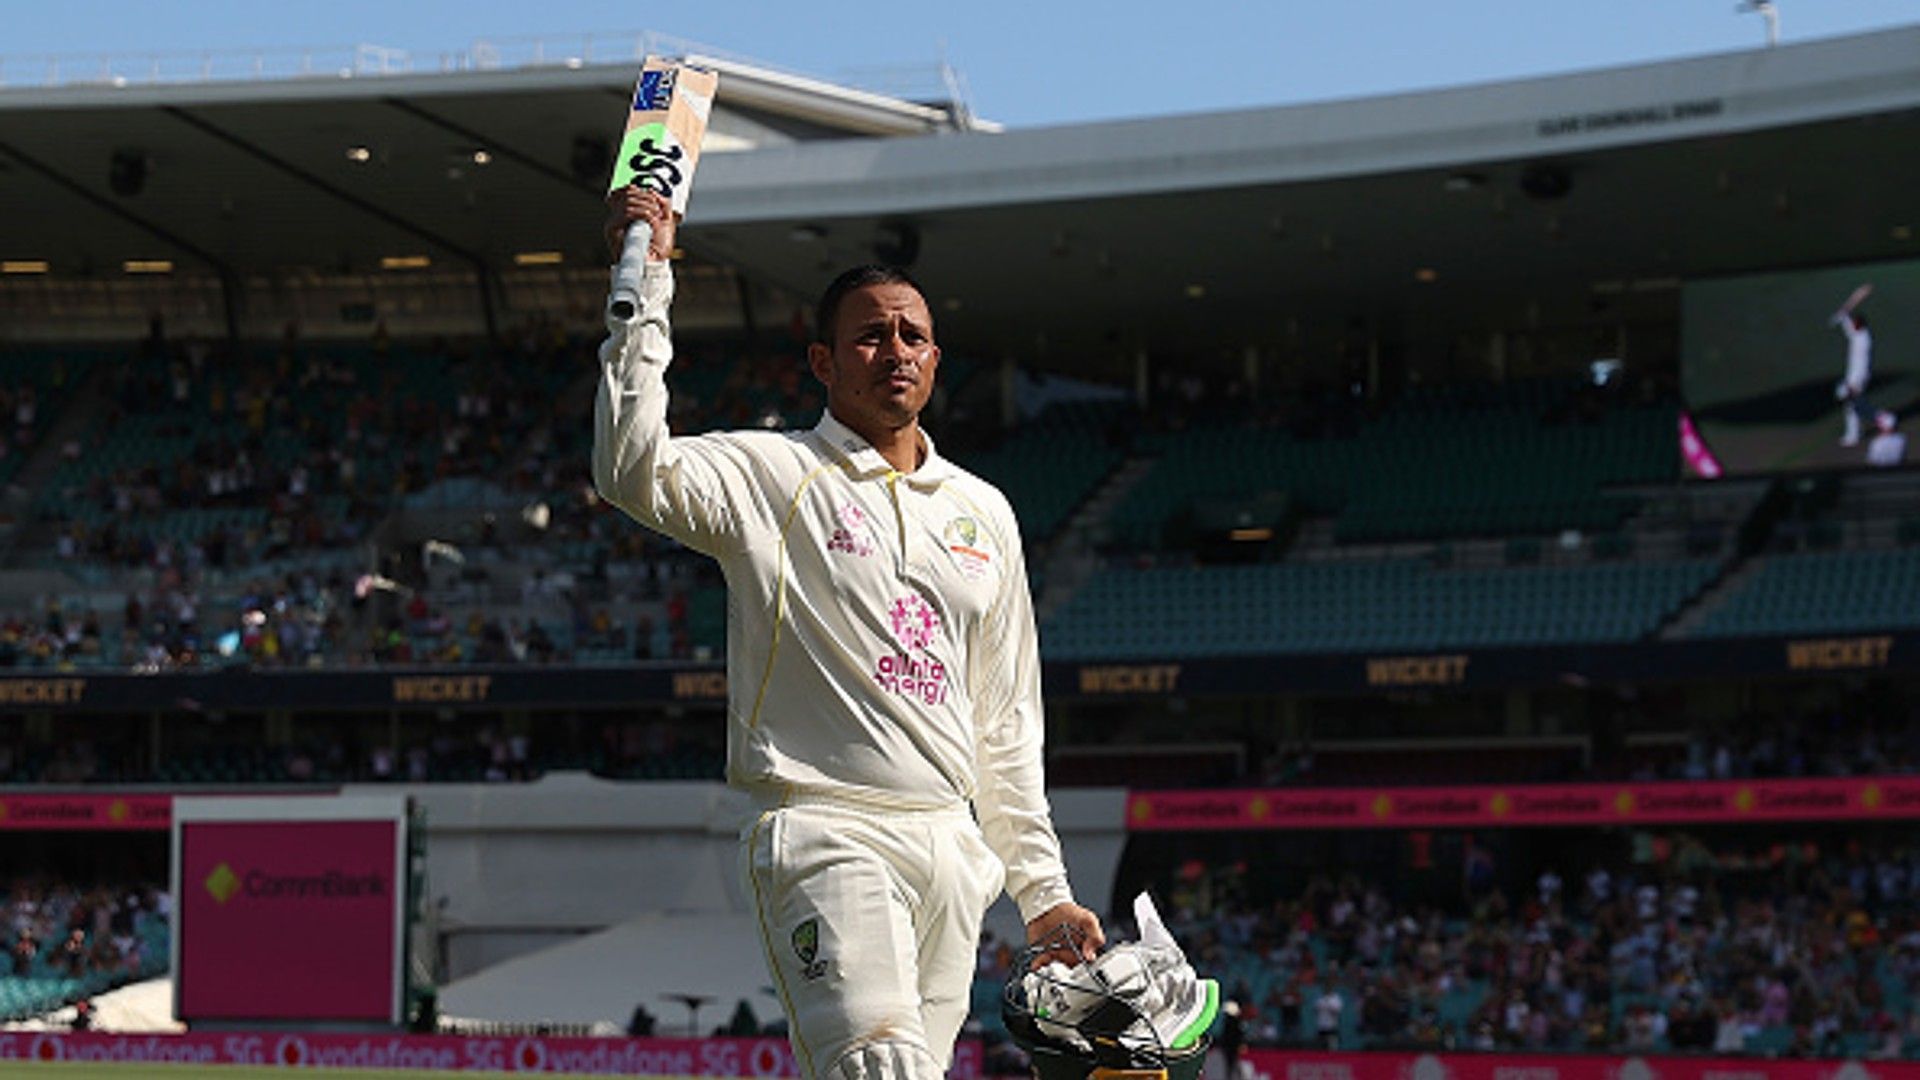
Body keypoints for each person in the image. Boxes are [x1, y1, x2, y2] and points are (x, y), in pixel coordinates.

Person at [593, 186, 1103, 1080]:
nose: (894, 351)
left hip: (951, 849)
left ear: (936, 359)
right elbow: (630, 469)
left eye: (911, 335)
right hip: (821, 826)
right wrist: (646, 273)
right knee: (880, 1067)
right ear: (823, 362)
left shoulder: (984, 512)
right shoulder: (772, 471)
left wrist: (1044, 893)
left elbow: (1007, 725)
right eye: (871, 335)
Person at [1831, 307, 1873, 447]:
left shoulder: (1863, 341)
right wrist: (1843, 316)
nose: (1852, 325)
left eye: (1854, 323)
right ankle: (1855, 433)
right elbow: (1849, 329)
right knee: (1851, 405)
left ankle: (1853, 436)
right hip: (1853, 375)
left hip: (1858, 377)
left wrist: (1854, 384)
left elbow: (1863, 365)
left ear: (1859, 325)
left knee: (1850, 405)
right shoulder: (1858, 333)